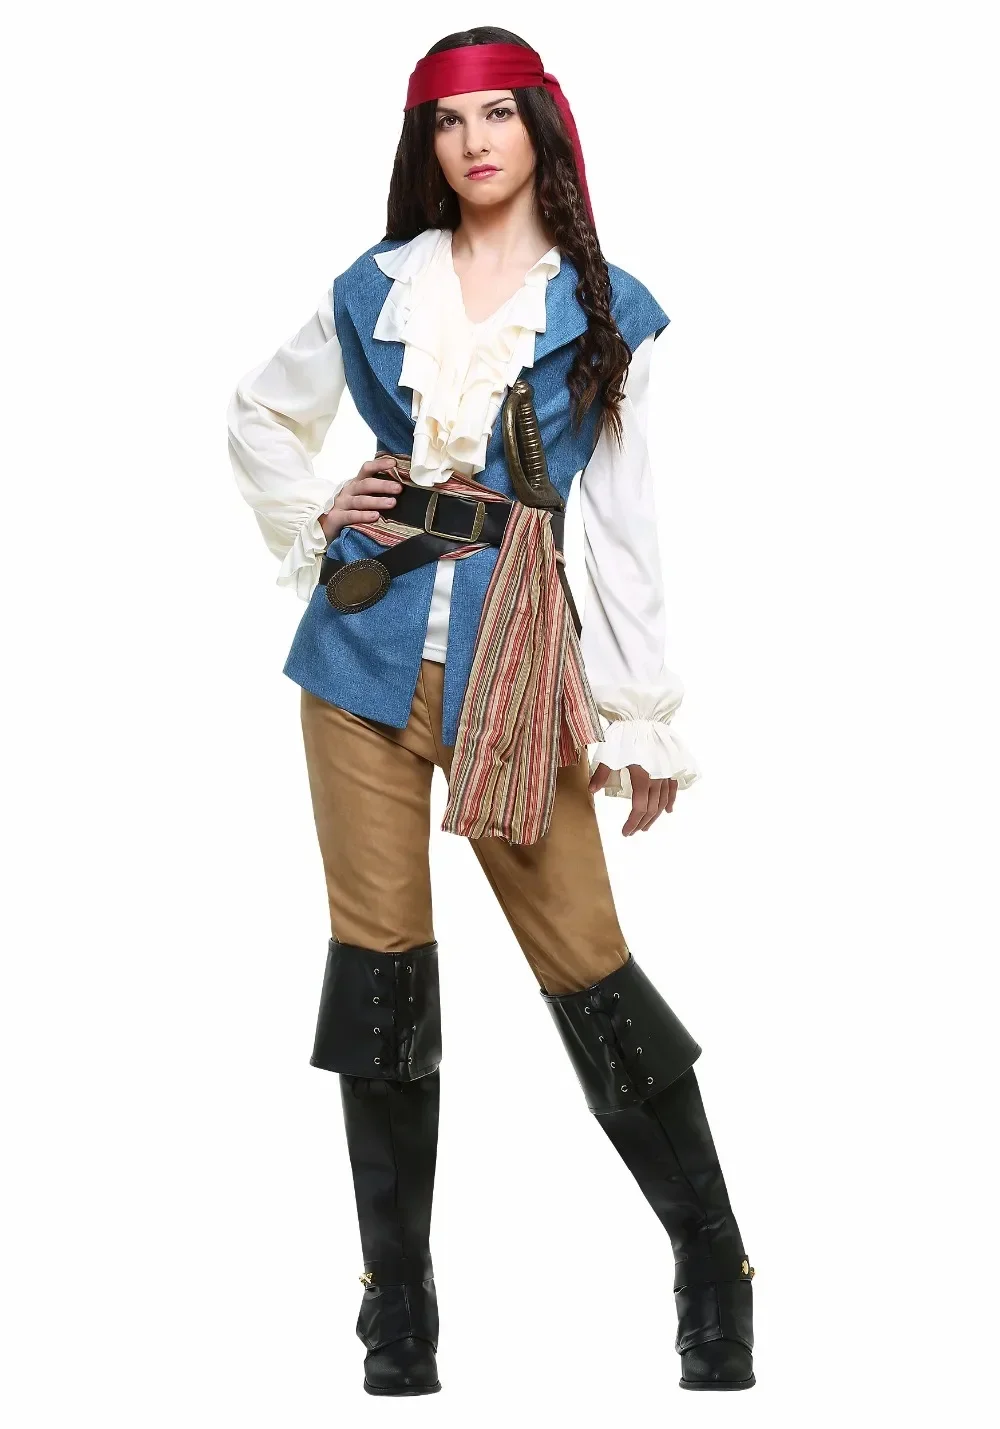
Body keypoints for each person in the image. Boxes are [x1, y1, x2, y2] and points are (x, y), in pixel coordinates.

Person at [227, 25, 755, 1397]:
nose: (472, 142)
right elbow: (259, 415)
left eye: (496, 116)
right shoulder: (375, 286)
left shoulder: (605, 309)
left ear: (540, 130)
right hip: (357, 656)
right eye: (448, 121)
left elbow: (622, 528)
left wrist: (637, 715)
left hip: (514, 662)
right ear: (428, 143)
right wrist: (316, 509)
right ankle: (396, 1306)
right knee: (380, 968)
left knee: (588, 960)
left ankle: (712, 1259)